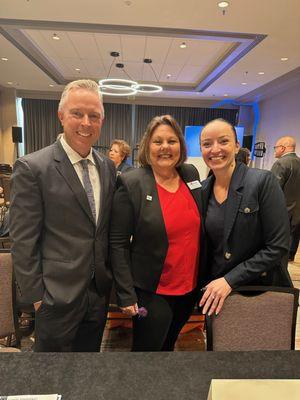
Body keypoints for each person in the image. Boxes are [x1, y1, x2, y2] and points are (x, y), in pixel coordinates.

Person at [10, 79, 116, 352]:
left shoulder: (107, 167)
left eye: (94, 116)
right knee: (51, 376)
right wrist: (36, 298)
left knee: (86, 370)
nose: (86, 123)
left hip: (97, 294)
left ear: (102, 120)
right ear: (61, 116)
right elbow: (23, 242)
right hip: (54, 297)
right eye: (77, 113)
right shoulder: (33, 167)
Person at [110, 115, 203, 351]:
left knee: (169, 346)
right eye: (157, 141)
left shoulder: (190, 174)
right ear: (146, 146)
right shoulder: (132, 183)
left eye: (172, 141)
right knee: (147, 354)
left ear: (180, 146)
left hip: (189, 288)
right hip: (152, 291)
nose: (165, 147)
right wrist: (125, 293)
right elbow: (118, 243)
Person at [199, 118, 292, 317]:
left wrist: (230, 280)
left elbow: (278, 245)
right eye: (207, 144)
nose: (215, 149)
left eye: (223, 141)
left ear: (236, 146)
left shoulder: (261, 182)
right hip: (217, 295)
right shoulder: (203, 189)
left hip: (259, 292)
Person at [271, 136, 300, 262]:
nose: (274, 151)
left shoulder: (281, 163)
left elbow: (272, 190)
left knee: (278, 247)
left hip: (281, 211)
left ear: (282, 148)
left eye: (275, 148)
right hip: (297, 211)